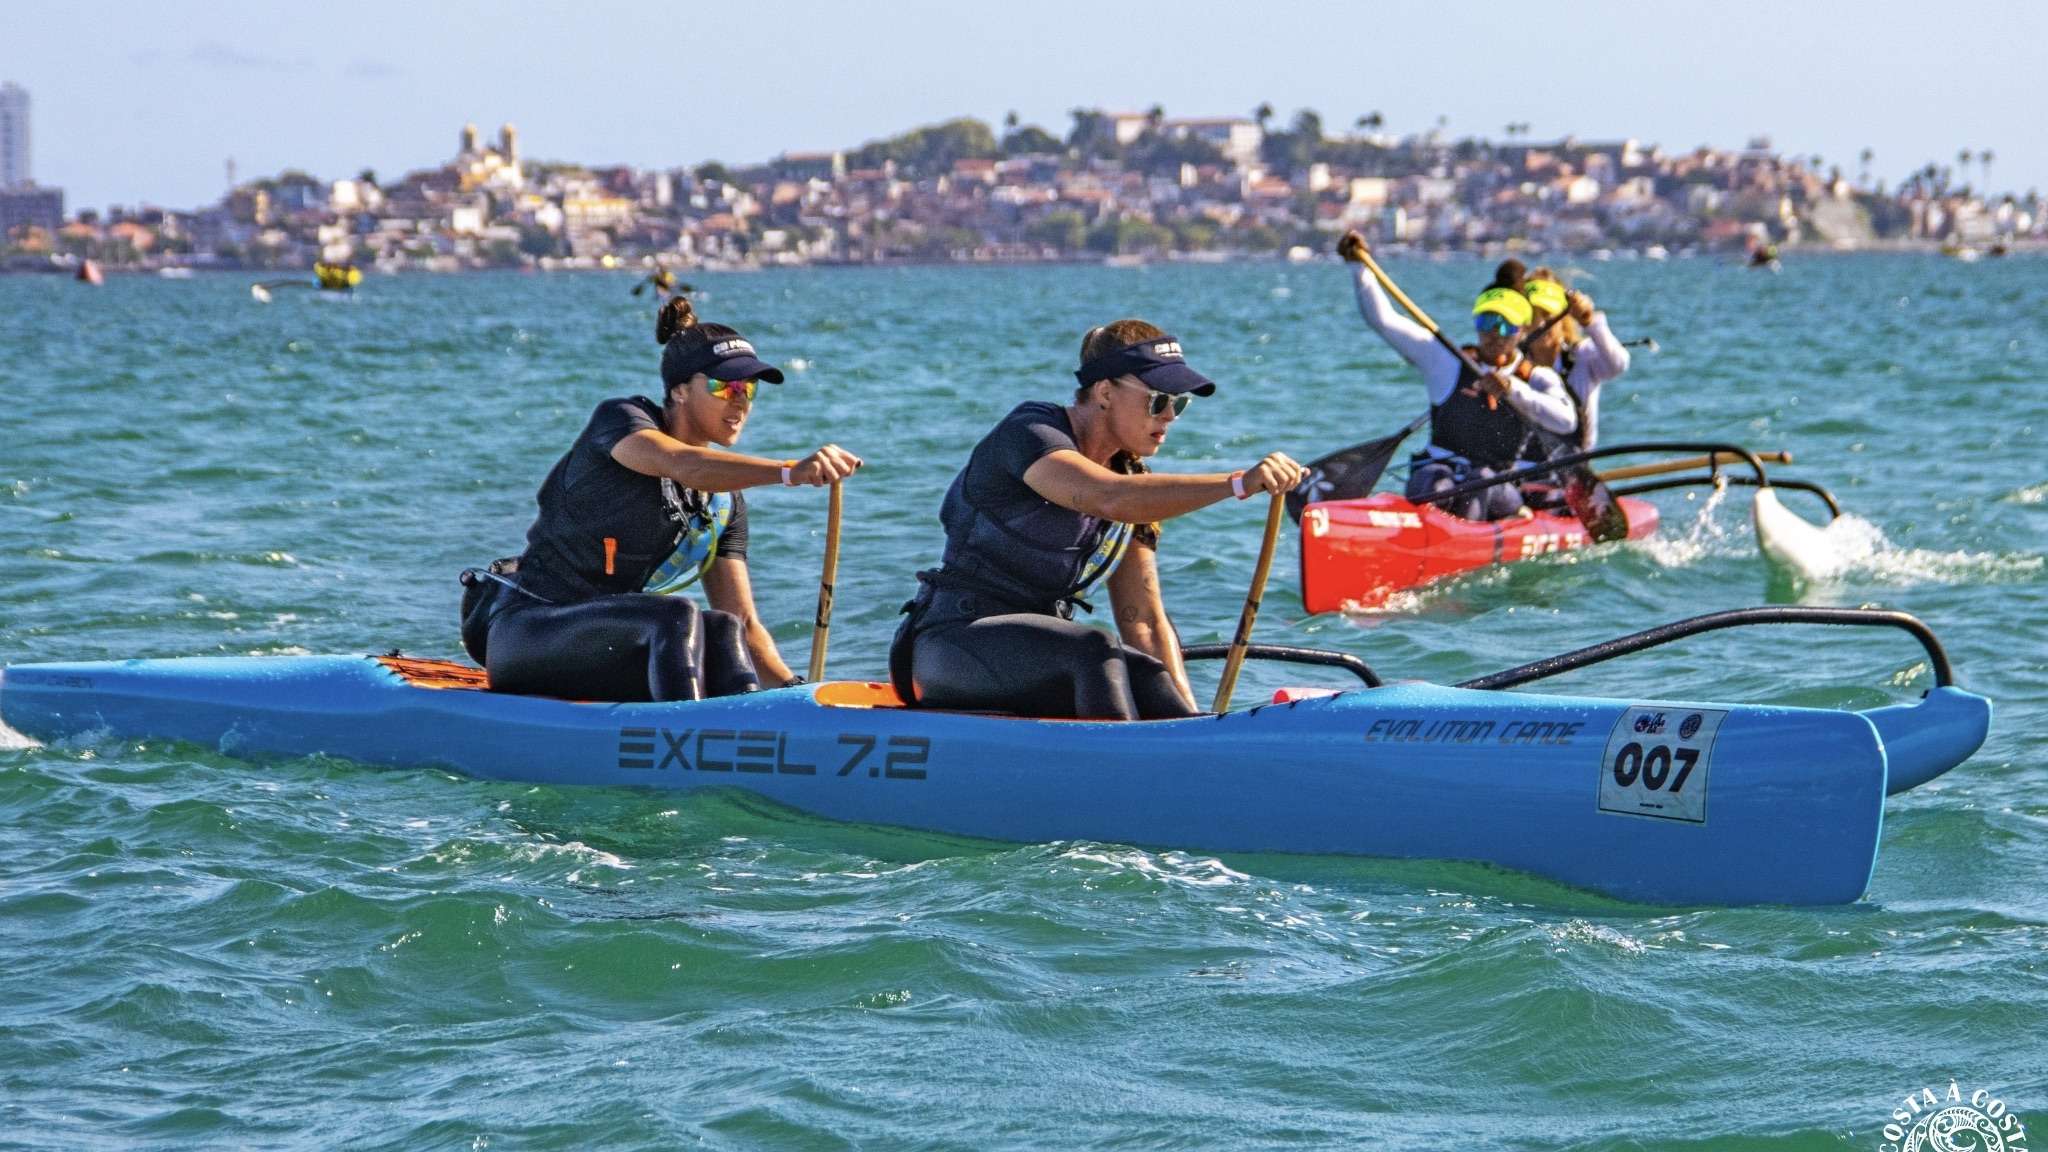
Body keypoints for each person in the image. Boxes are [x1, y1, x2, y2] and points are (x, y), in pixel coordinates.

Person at [888, 320, 1306, 721]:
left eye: (1179, 404)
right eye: (1157, 400)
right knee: (1096, 648)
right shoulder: (1029, 432)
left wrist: (1196, 725)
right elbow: (1106, 496)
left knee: (1146, 672)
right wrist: (1238, 484)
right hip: (951, 645)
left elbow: (1143, 620)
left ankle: (1194, 754)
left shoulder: (1133, 483)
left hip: (1041, 654)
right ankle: (1125, 765)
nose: (1169, 416)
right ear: (1105, 392)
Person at [462, 294, 862, 702]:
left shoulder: (722, 504)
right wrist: (789, 472)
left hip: (607, 646)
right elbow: (681, 463)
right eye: (724, 386)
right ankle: (687, 731)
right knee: (676, 616)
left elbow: (744, 621)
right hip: (527, 633)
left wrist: (799, 695)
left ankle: (747, 725)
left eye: (749, 388)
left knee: (724, 629)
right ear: (681, 391)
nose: (740, 400)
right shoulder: (620, 422)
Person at [1336, 230, 1576, 520]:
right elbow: (1383, 321)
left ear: (1522, 331)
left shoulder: (1537, 378)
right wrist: (1358, 268)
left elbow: (1566, 421)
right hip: (1440, 478)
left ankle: (1476, 532)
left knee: (1481, 481)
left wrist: (1512, 389)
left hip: (1498, 487)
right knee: (1432, 482)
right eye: (1486, 322)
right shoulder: (1447, 362)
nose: (1494, 334)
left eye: (1506, 326)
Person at [1517, 268, 1632, 457]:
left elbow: (1618, 364)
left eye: (1546, 314)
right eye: (1532, 316)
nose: (1540, 324)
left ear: (1563, 319)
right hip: (1527, 465)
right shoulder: (1514, 364)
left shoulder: (1583, 355)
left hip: (1575, 463)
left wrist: (1589, 322)